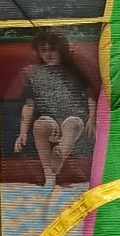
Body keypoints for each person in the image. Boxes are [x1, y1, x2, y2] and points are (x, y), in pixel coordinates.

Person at [14, 31, 95, 189]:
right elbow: (29, 104)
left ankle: (60, 155)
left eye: (52, 49)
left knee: (71, 125)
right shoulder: (36, 74)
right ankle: (49, 176)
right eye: (44, 50)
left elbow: (90, 94)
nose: (48, 54)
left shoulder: (73, 70)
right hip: (50, 122)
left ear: (61, 50)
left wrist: (92, 118)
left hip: (73, 119)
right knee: (39, 126)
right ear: (38, 52)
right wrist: (22, 132)